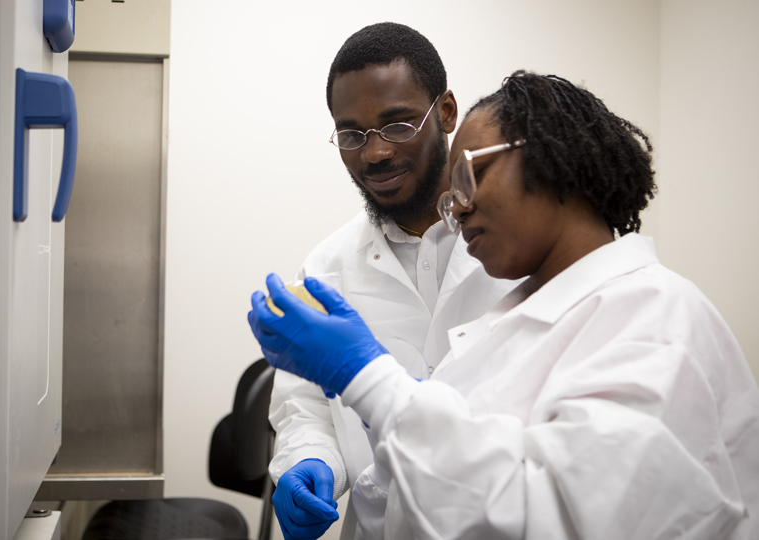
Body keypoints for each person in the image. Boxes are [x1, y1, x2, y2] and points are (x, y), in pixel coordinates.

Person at [250, 71, 759, 540]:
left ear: (555, 153)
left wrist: (368, 382)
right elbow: (423, 485)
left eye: (469, 176)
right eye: (452, 197)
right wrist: (327, 453)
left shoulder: (657, 319)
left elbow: (556, 517)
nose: (459, 209)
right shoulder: (522, 315)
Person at [266, 22, 519, 540]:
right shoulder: (326, 268)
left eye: (398, 124)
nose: (374, 153)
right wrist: (310, 462)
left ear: (445, 112)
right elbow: (306, 407)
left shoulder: (515, 250)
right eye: (352, 133)